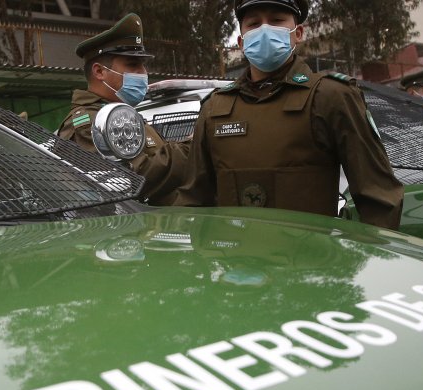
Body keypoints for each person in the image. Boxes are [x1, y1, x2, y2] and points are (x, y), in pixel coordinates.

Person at [172, 0, 403, 230]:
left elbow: (379, 200)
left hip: (309, 262)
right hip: (235, 261)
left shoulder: (330, 97)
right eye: (254, 23)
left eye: (276, 20)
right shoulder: (215, 108)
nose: (265, 29)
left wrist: (367, 259)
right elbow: (192, 201)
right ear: (241, 42)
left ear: (298, 33)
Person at [57, 13, 189, 206]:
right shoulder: (90, 123)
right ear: (99, 71)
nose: (143, 73)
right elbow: (133, 180)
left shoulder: (121, 115)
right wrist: (192, 149)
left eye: (143, 65)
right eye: (133, 65)